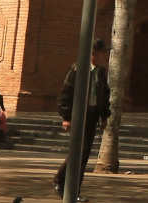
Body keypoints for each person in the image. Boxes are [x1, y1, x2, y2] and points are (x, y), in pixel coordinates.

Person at [51, 37, 111, 197]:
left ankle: (74, 190)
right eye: (101, 53)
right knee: (78, 151)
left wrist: (104, 116)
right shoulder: (77, 70)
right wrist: (66, 117)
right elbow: (65, 94)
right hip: (78, 115)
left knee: (84, 155)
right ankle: (60, 180)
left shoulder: (100, 71)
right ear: (93, 53)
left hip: (91, 115)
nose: (103, 56)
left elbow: (104, 94)